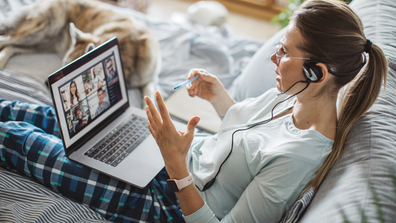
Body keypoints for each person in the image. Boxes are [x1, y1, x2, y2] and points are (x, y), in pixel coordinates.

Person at [0, 0, 388, 222]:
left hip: (166, 205)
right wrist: (218, 97)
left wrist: (177, 169)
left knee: (15, 135)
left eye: (285, 52)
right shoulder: (296, 95)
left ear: (316, 72)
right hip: (171, 161)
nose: (275, 55)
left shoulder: (297, 160)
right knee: (37, 114)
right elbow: (249, 138)